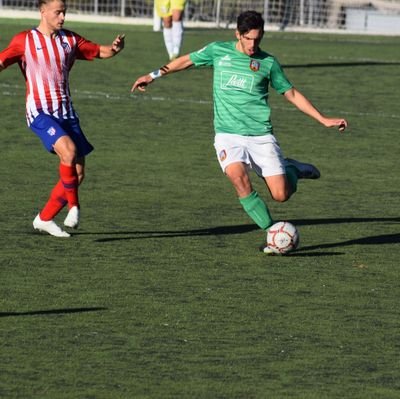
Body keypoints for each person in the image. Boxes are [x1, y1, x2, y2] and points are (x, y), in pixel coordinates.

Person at [131, 10, 348, 252]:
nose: (253, 44)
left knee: (281, 195)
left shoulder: (268, 63)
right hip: (227, 135)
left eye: (258, 39)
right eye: (248, 39)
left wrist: (323, 119)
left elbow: (291, 93)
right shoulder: (218, 51)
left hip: (260, 136)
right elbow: (186, 60)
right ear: (238, 34)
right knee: (238, 178)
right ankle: (272, 233)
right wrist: (153, 75)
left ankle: (292, 169)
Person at [0, 0, 125, 237]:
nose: (63, 17)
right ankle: (74, 207)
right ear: (43, 11)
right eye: (58, 12)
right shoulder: (24, 40)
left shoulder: (70, 40)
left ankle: (44, 218)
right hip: (39, 111)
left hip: (66, 112)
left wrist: (115, 48)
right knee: (68, 152)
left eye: (64, 12)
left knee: (78, 172)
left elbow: (100, 51)